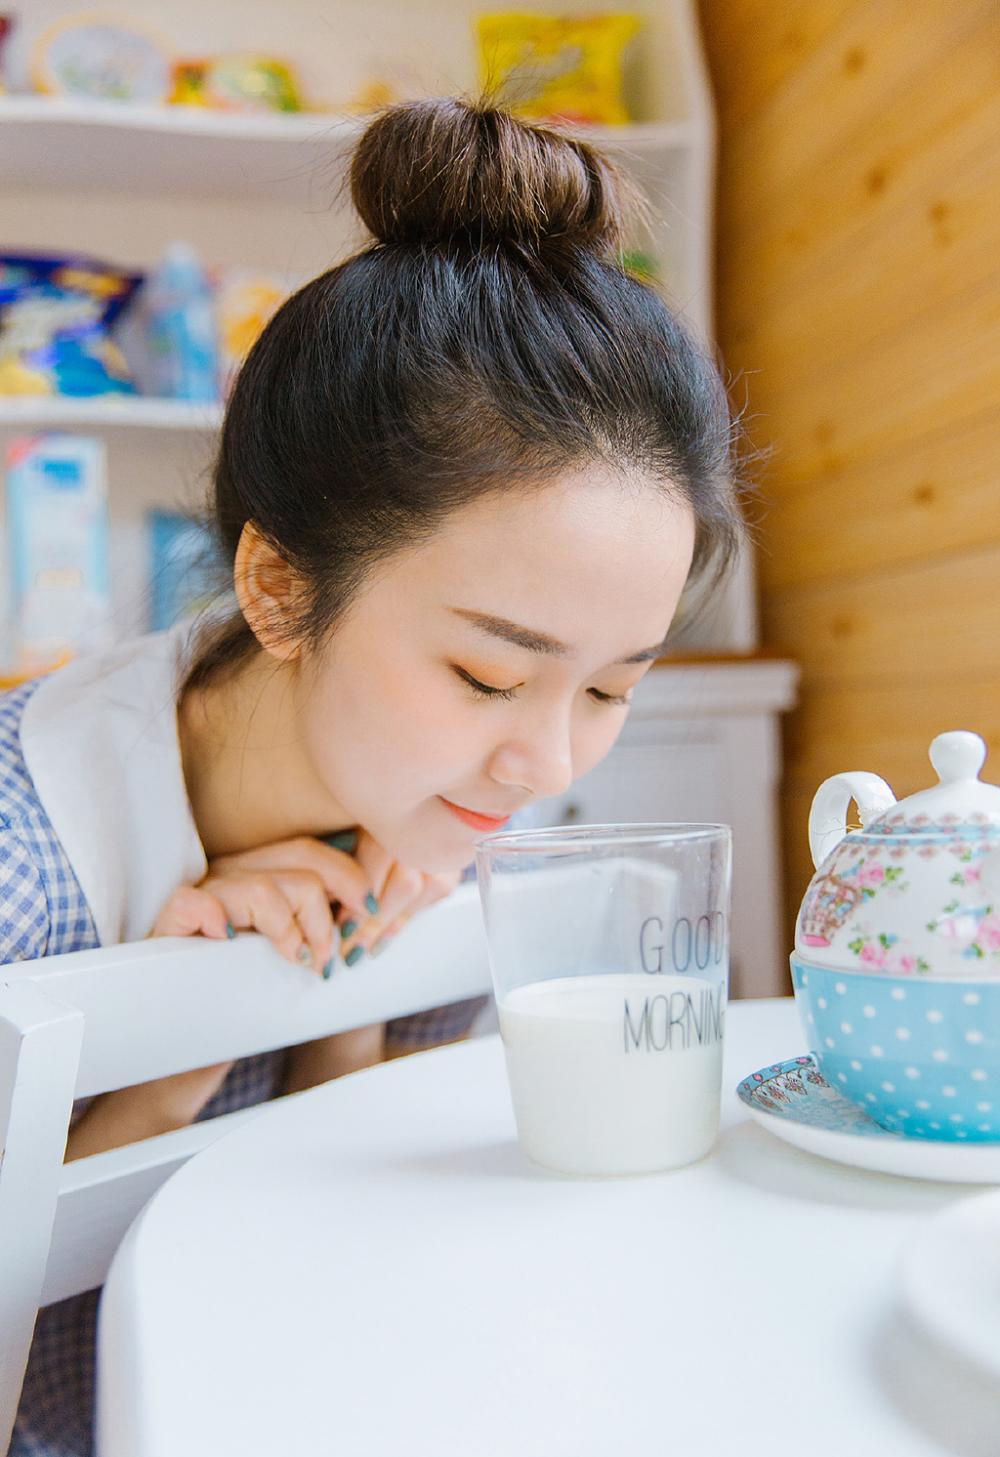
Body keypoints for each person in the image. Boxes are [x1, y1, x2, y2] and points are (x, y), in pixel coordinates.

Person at [4, 96, 745, 1456]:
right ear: (278, 585)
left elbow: (348, 1271)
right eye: (485, 672)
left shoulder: (435, 846)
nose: (548, 760)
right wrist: (169, 1056)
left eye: (611, 685)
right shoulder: (23, 856)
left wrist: (328, 992)